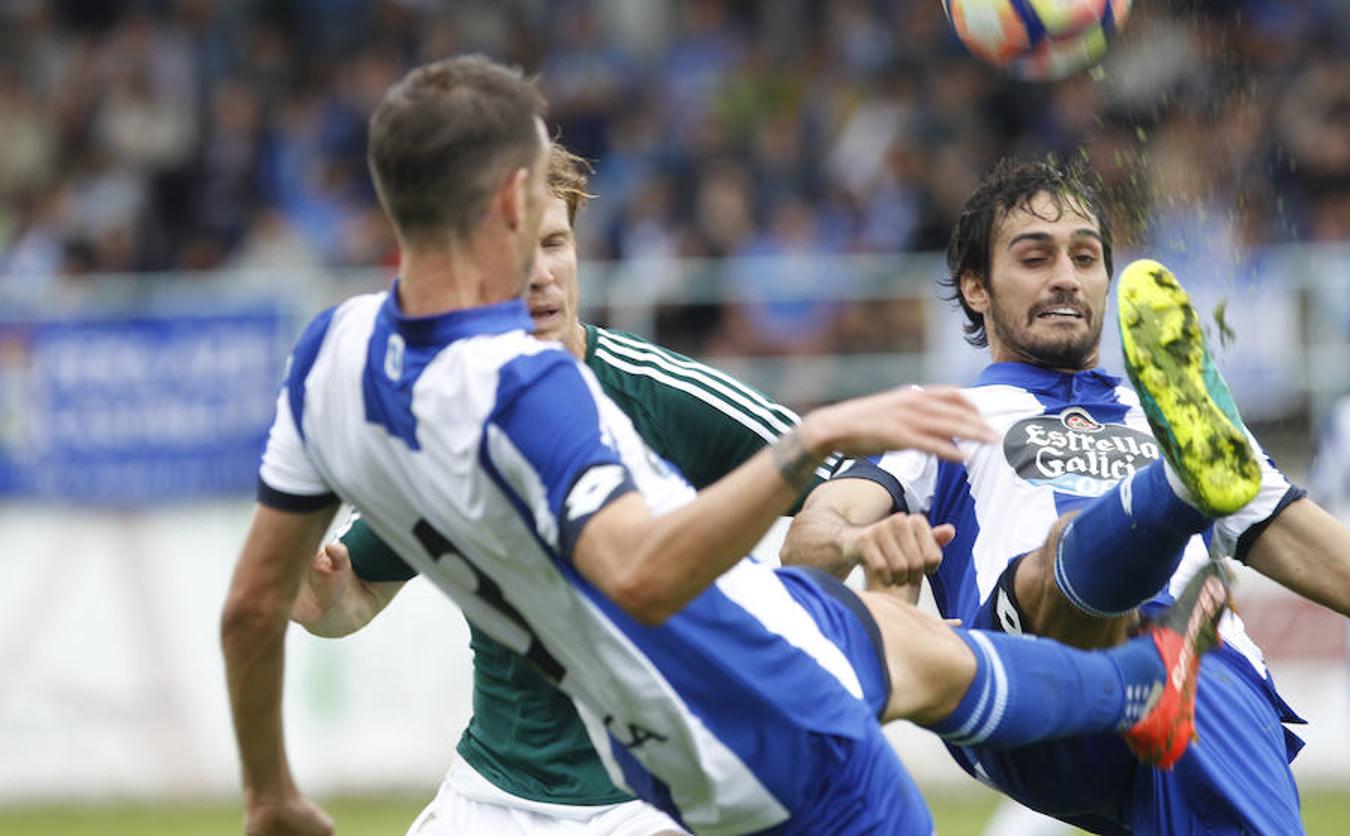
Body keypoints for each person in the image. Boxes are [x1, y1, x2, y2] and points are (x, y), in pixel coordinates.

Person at [221, 57, 1227, 836]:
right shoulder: (529, 391)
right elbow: (644, 579)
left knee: (914, 649)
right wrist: (815, 440)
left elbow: (252, 608)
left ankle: (1140, 685)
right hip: (750, 726)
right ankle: (1137, 685)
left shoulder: (329, 354)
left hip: (729, 658)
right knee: (917, 662)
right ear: (508, 208)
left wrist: (269, 792)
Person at [784, 156, 1350, 832]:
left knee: (1211, 675)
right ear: (976, 288)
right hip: (1035, 684)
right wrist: (858, 539)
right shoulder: (937, 412)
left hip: (1210, 688)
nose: (1066, 277)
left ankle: (1171, 598)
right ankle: (1177, 494)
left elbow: (1325, 554)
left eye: (1086, 258)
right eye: (1035, 257)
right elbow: (808, 544)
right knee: (1061, 548)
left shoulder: (1169, 413)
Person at [289, 141, 838, 836]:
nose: (541, 276)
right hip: (491, 801)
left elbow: (843, 481)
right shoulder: (439, 425)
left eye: (555, 242)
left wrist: (828, 590)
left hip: (660, 805)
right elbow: (357, 597)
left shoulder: (661, 395)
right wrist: (324, 598)